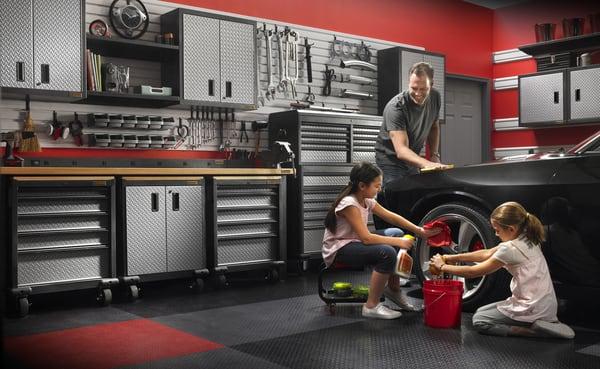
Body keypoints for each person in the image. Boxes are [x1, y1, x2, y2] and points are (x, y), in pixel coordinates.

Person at [430, 201, 575, 339]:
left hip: (532, 307)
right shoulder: (528, 237)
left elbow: (474, 271)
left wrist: (442, 266)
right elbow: (486, 253)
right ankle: (542, 322)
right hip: (545, 304)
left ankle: (530, 331)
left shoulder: (509, 249)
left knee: (480, 320)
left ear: (511, 229)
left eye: (497, 230)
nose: (496, 234)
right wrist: (449, 257)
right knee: (482, 311)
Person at [322, 162, 440, 319]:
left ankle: (393, 289)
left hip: (353, 242)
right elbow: (366, 238)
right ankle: (371, 306)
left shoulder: (367, 200)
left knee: (396, 232)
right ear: (362, 186)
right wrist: (399, 243)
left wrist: (419, 231)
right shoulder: (349, 204)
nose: (379, 189)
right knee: (387, 252)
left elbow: (392, 217)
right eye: (377, 186)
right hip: (338, 249)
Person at [375, 61, 450, 188]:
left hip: (412, 157)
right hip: (390, 161)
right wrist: (428, 164)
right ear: (408, 83)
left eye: (423, 89)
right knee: (397, 197)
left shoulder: (435, 97)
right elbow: (402, 151)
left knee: (413, 195)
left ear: (431, 85)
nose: (418, 93)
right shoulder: (396, 108)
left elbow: (434, 127)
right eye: (414, 88)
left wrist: (434, 155)